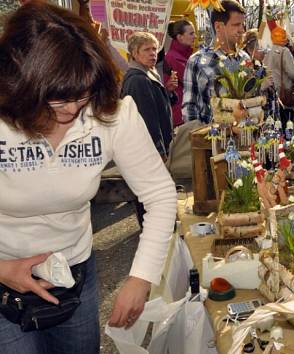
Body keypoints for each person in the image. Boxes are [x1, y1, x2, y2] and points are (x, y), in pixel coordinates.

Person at [0, 3, 176, 353]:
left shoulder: (111, 113)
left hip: (75, 273)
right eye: (55, 101)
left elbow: (159, 193)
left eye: (82, 97)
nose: (72, 111)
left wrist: (141, 277)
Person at [182, 0, 247, 123]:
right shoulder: (198, 61)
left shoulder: (245, 58)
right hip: (213, 138)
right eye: (236, 25)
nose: (241, 30)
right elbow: (189, 109)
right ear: (218, 26)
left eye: (242, 24)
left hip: (247, 137)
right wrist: (200, 138)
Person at [121, 32, 177, 160]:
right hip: (147, 152)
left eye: (154, 49)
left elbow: (158, 108)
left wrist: (168, 91)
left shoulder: (149, 73)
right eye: (146, 49)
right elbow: (147, 119)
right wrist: (159, 151)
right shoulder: (138, 80)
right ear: (135, 54)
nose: (152, 53)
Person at [263, 26, 294, 129]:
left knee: (276, 125)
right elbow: (293, 72)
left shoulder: (268, 51)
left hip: (271, 92)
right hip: (285, 93)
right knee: (287, 123)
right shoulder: (285, 51)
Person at [164, 19, 195, 128]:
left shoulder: (183, 56)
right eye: (191, 33)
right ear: (180, 37)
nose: (194, 36)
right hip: (180, 116)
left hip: (185, 113)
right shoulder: (173, 58)